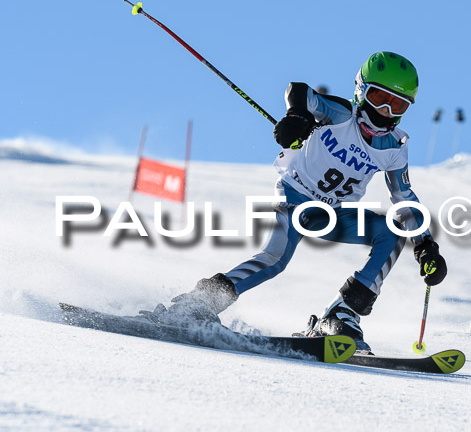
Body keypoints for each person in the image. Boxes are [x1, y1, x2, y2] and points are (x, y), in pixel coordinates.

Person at [146, 52, 447, 352]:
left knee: (393, 232)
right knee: (275, 259)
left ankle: (340, 314)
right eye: (380, 96)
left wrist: (425, 245)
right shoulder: (341, 115)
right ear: (361, 90)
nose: (385, 110)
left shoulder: (394, 147)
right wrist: (297, 116)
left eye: (397, 104)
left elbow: (404, 197)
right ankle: (198, 303)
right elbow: (299, 91)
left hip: (332, 215)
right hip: (295, 198)